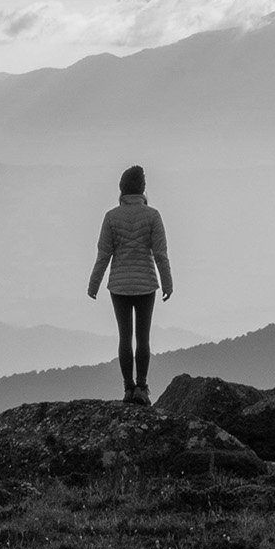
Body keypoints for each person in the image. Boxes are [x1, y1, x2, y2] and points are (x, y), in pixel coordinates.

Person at [87, 164, 173, 405]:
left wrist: (94, 285)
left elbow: (103, 254)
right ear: (143, 188)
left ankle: (127, 389)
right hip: (146, 283)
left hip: (119, 286)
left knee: (125, 337)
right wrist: (167, 282)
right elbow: (160, 254)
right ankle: (142, 388)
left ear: (122, 189)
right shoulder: (153, 215)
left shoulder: (111, 217)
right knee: (143, 337)